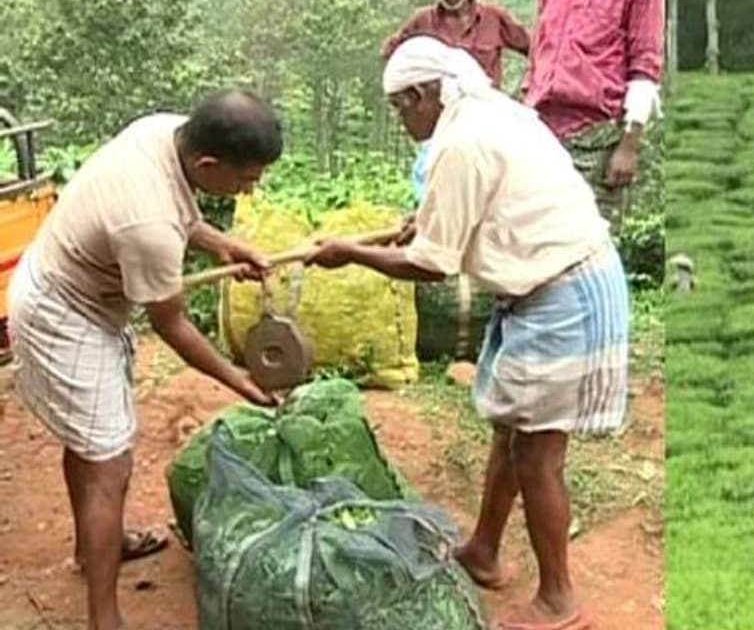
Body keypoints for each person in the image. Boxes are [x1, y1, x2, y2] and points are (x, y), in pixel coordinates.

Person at [306, 36, 628, 630]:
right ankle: (484, 550)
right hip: (542, 289)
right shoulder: (488, 112)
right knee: (510, 433)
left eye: (402, 107)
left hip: (566, 293)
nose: (402, 120)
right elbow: (484, 205)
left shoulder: (463, 140)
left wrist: (350, 253)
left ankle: (559, 599)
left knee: (538, 455)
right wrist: (423, 221)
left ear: (425, 93)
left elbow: (433, 265)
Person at [7, 90, 283, 630]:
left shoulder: (164, 133)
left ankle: (93, 550)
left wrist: (221, 244)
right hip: (64, 315)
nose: (252, 187)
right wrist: (239, 380)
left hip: (75, 293)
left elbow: (181, 214)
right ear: (208, 164)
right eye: (247, 177)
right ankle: (104, 617)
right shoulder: (148, 225)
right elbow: (172, 325)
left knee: (88, 443)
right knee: (110, 465)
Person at [523, 0, 664, 231]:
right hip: (543, 140)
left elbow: (644, 70)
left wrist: (628, 147)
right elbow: (536, 66)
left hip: (596, 141)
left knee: (589, 254)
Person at [380, 0, 531, 89]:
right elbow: (389, 54)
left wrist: (528, 89)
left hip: (485, 111)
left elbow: (537, 50)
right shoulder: (421, 21)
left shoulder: (494, 17)